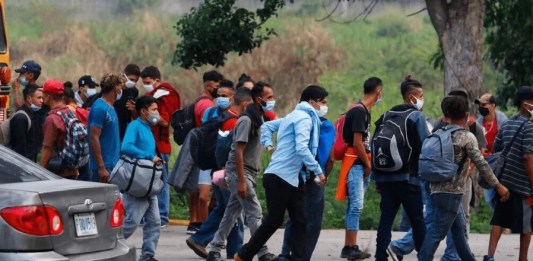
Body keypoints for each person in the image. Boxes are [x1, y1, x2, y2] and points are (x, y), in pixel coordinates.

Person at [236, 85, 329, 261]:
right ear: (312, 102)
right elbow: (302, 148)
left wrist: (270, 146)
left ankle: (298, 259)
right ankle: (243, 255)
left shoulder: (293, 116)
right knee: (274, 220)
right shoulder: (304, 118)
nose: (324, 106)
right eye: (322, 102)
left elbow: (267, 127)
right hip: (280, 177)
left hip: (292, 178)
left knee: (300, 221)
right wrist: (318, 170)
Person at [418, 96, 510, 261]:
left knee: (459, 232)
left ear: (447, 115)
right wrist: (498, 186)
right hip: (452, 193)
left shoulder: (439, 132)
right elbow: (482, 164)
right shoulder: (466, 137)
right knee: (437, 232)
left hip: (435, 189)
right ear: (467, 114)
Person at [206, 82, 277, 261]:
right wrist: (241, 182)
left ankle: (214, 248)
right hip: (240, 172)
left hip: (248, 172)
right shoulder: (247, 119)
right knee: (254, 212)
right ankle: (262, 252)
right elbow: (238, 151)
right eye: (269, 98)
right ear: (258, 99)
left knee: (231, 213)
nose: (272, 101)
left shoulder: (260, 117)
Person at [186, 87, 250, 259]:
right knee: (229, 209)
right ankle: (200, 239)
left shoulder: (226, 117)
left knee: (228, 208)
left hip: (220, 171)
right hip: (226, 172)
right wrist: (227, 169)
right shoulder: (233, 121)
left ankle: (234, 249)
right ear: (245, 103)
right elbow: (226, 149)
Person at [372, 76, 428, 261]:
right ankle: (423, 257)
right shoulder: (416, 116)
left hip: (386, 179)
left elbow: (377, 144)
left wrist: (378, 177)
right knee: (418, 221)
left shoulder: (387, 115)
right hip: (409, 179)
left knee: (385, 220)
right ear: (411, 97)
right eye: (420, 95)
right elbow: (426, 146)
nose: (422, 99)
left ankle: (381, 256)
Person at [278, 112, 335, 261]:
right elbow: (331, 158)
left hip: (294, 174)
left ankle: (285, 254)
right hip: (315, 178)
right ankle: (302, 257)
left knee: (294, 216)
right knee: (313, 221)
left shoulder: (296, 122)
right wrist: (324, 175)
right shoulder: (326, 126)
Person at [484, 86, 533, 261]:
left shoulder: (507, 123)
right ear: (526, 103)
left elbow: (496, 149)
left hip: (504, 182)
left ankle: (489, 256)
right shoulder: (529, 127)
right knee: (527, 225)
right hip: (522, 184)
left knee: (499, 219)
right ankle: (523, 258)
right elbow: (528, 157)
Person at [339, 77, 382, 260]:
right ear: (378, 91)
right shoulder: (359, 112)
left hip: (359, 163)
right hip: (356, 164)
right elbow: (357, 143)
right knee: (356, 206)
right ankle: (351, 247)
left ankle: (349, 247)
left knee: (353, 206)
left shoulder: (363, 110)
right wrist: (368, 164)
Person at [121, 95, 163, 261]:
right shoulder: (135, 126)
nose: (157, 113)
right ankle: (106, 245)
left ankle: (147, 255)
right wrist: (148, 156)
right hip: (138, 181)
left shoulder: (147, 127)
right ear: (144, 112)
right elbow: (126, 147)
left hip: (148, 182)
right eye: (154, 109)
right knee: (131, 222)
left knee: (154, 222)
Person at [141, 65, 181, 228]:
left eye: (148, 82)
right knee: (150, 182)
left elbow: (165, 121)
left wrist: (148, 115)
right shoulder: (153, 95)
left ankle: (162, 216)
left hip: (160, 144)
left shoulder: (166, 95)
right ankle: (152, 216)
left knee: (161, 182)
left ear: (157, 80)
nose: (146, 85)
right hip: (152, 144)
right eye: (144, 83)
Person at [188, 70, 224, 234]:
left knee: (217, 197)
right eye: (218, 87)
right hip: (207, 158)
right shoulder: (207, 107)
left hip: (218, 159)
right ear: (209, 85)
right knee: (203, 196)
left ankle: (209, 228)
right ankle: (203, 229)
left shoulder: (223, 110)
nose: (220, 93)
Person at [39, 79, 78, 178]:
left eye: (43, 95)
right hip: (72, 169)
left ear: (48, 97)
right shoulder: (70, 112)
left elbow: (47, 148)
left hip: (57, 172)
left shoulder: (52, 119)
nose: (42, 98)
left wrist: (40, 172)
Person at [475, 93, 508, 210]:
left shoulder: (503, 121)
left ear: (493, 106)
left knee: (502, 196)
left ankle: (502, 225)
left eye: (484, 104)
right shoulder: (478, 123)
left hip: (501, 163)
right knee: (490, 198)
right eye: (479, 105)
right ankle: (500, 224)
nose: (481, 107)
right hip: (486, 165)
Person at [88, 73, 122, 183]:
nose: (121, 90)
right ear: (116, 88)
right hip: (104, 168)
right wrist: (101, 167)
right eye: (120, 87)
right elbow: (94, 137)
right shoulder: (100, 108)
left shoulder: (111, 107)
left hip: (113, 164)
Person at [63, 83, 91, 181]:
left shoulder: (67, 111)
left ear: (63, 98)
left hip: (72, 157)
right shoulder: (80, 109)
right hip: (85, 155)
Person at [9, 85, 43, 162]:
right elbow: (19, 150)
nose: (42, 101)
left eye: (42, 98)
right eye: (39, 98)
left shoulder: (33, 114)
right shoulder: (21, 118)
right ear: (29, 98)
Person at [115, 64, 141, 141]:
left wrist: (133, 109)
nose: (133, 82)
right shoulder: (114, 88)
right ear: (124, 76)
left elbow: (135, 116)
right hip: (113, 127)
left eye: (136, 81)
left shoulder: (134, 91)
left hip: (125, 130)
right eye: (131, 79)